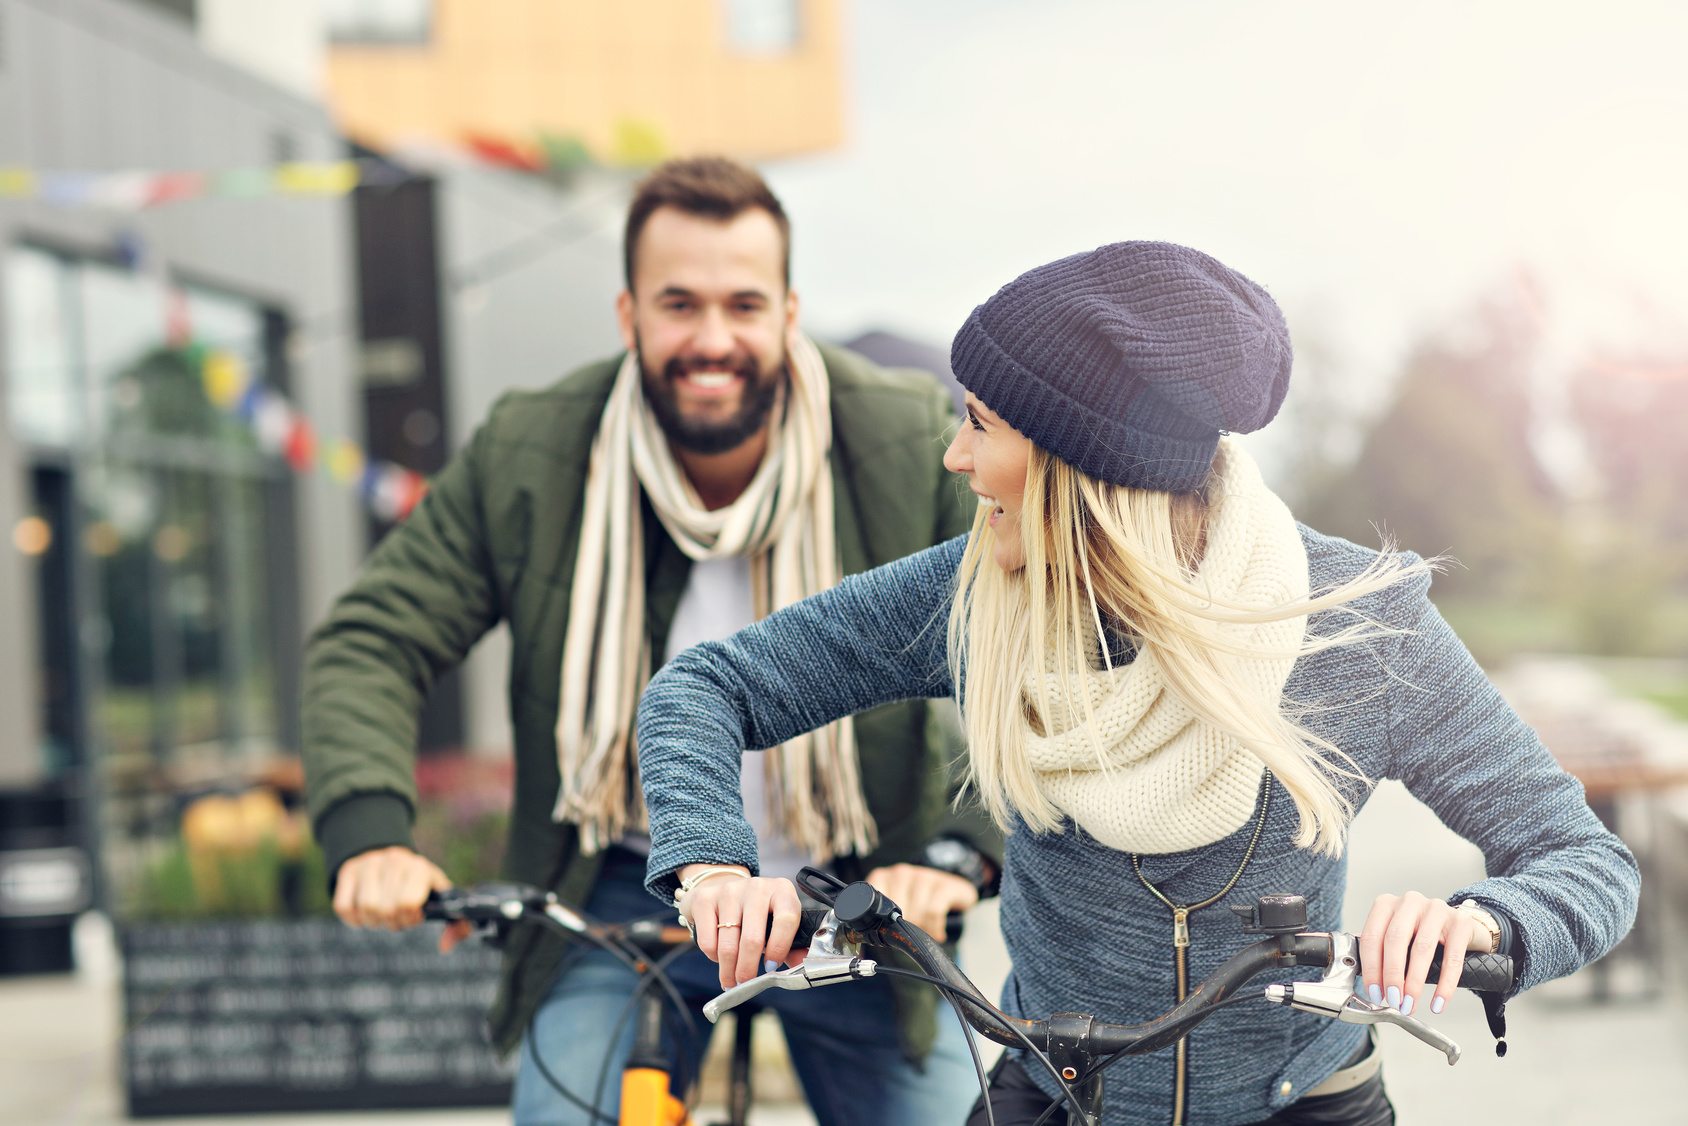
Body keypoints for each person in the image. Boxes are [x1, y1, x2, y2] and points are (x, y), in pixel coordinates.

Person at [634, 242, 1640, 1126]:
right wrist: (713, 866)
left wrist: (1481, 923)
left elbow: (1581, 857)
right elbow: (706, 686)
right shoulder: (971, 593)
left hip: (1302, 1103)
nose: (955, 455)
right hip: (1053, 1090)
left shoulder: (1352, 625)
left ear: (1080, 465)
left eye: (979, 424)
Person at [301, 156, 998, 1126]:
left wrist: (954, 851)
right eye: (679, 304)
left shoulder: (905, 436)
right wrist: (369, 831)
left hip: (855, 883)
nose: (712, 339)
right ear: (628, 315)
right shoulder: (531, 450)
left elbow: (1017, 659)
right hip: (624, 875)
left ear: (788, 314)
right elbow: (373, 637)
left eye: (742, 304)